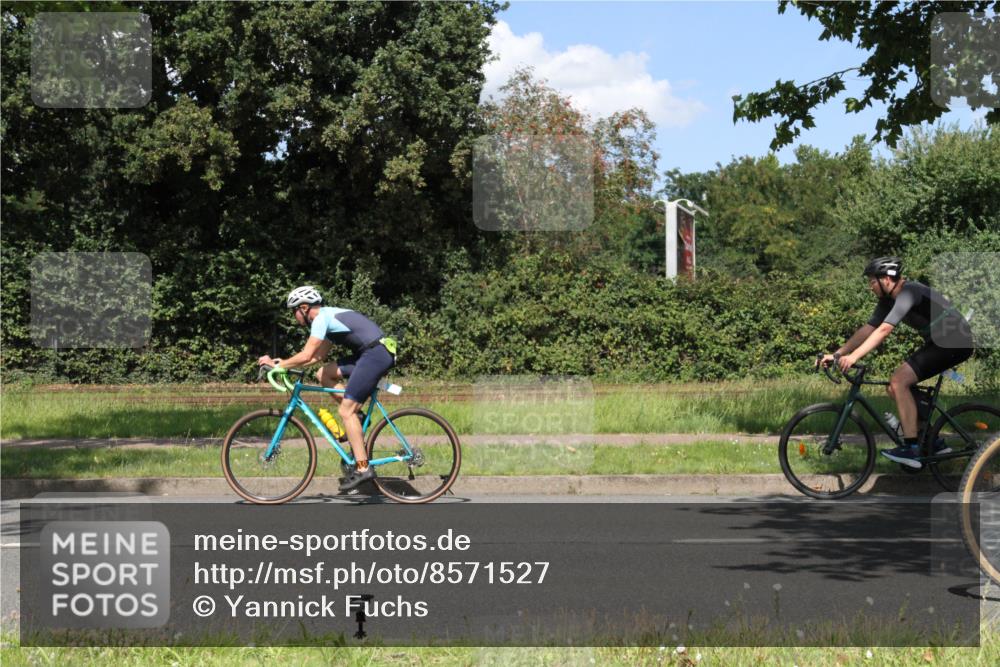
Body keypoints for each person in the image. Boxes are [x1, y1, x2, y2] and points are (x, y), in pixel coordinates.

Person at [818, 257, 974, 468]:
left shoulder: (909, 291)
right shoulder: (888, 300)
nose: (870, 286)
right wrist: (837, 354)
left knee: (899, 381)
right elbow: (869, 328)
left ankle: (911, 449)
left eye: (872, 281)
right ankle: (930, 440)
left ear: (887, 279)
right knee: (895, 389)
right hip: (941, 343)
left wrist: (854, 357)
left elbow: (884, 329)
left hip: (954, 342)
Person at [258, 286, 396, 490]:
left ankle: (363, 467)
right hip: (372, 353)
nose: (294, 316)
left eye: (294, 311)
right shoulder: (328, 318)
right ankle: (355, 416)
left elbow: (306, 355)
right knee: (323, 374)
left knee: (345, 411)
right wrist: (284, 363)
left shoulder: (321, 318)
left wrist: (278, 365)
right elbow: (316, 357)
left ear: (304, 308)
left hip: (375, 354)